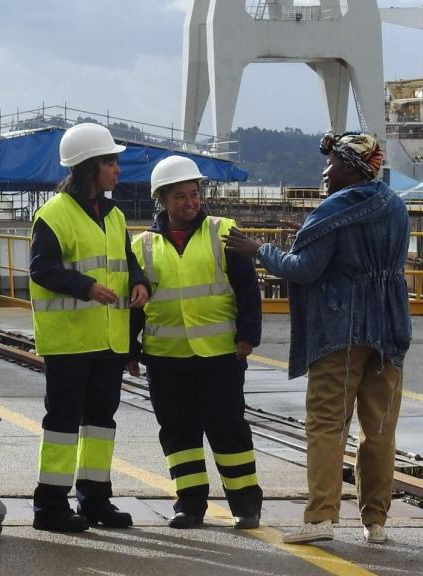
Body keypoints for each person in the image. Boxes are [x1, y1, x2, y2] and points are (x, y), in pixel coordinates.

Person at [222, 131, 411, 545]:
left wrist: (259, 249)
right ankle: (376, 523)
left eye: (331, 164)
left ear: (350, 167)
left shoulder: (333, 209)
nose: (324, 172)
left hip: (340, 333)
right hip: (390, 331)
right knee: (378, 430)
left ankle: (321, 518)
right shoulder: (395, 205)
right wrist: (308, 232)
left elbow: (305, 269)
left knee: (327, 425)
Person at [129, 155, 263, 530]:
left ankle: (246, 504)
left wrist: (248, 336)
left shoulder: (223, 231)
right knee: (178, 432)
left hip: (220, 353)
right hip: (166, 357)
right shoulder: (143, 246)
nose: (190, 203)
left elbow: (247, 290)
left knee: (228, 427)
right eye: (180, 197)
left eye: (194, 194)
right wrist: (130, 349)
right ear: (162, 201)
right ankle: (189, 504)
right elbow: (136, 305)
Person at [28, 123, 149, 532]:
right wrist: (85, 287)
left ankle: (96, 500)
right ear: (88, 167)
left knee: (101, 424)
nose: (118, 169)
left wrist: (139, 282)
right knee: (62, 423)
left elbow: (125, 260)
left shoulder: (113, 215)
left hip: (108, 339)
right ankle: (50, 506)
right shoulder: (53, 215)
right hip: (69, 340)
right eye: (110, 162)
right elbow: (42, 269)